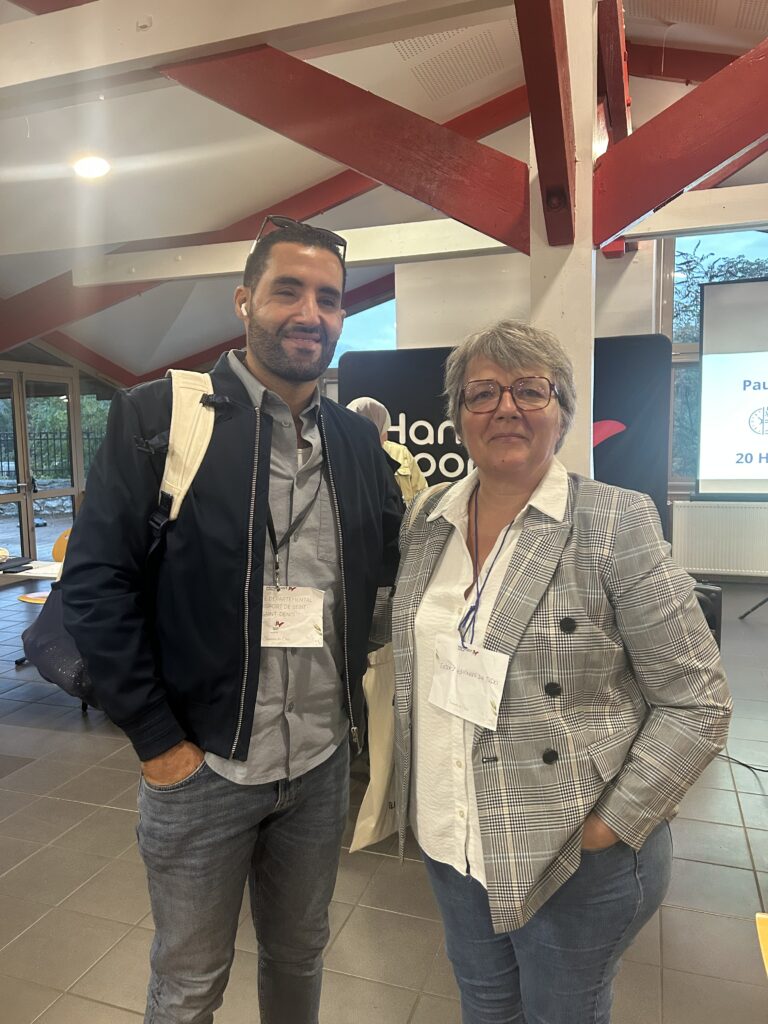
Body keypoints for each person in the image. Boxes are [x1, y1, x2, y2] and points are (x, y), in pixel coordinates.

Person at [61, 216, 402, 1024]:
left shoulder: (357, 442)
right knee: (187, 984)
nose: (309, 312)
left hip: (317, 764)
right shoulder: (160, 418)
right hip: (203, 765)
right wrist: (158, 742)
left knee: (299, 957)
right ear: (245, 300)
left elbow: (392, 571)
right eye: (288, 290)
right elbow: (96, 585)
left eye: (328, 298)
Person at [391, 320, 731, 1024]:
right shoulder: (428, 517)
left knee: (561, 1015)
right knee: (485, 1007)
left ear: (564, 411)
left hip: (568, 851)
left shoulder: (613, 520)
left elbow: (697, 700)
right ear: (457, 415)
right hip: (452, 835)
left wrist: (610, 822)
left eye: (529, 390)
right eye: (482, 392)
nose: (505, 408)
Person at [347, 396, 428, 502]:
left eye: (385, 428)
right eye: (383, 429)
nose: (386, 436)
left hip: (402, 518)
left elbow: (423, 495)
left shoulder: (400, 453)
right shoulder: (344, 458)